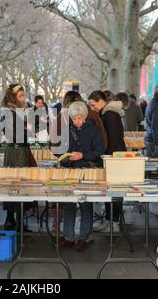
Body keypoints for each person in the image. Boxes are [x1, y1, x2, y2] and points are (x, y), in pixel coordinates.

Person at [59, 101, 104, 252]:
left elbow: (99, 151)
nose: (76, 121)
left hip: (86, 171)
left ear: (84, 117)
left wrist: (82, 155)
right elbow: (63, 149)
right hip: (70, 171)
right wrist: (65, 157)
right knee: (69, 204)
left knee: (85, 203)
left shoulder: (94, 130)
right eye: (74, 118)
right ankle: (68, 236)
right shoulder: (67, 130)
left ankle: (84, 237)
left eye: (79, 118)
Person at [88, 90, 126, 233]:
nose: (92, 108)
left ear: (100, 101)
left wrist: (105, 158)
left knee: (115, 191)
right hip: (113, 157)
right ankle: (109, 220)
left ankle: (114, 222)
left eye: (93, 105)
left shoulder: (110, 115)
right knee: (110, 191)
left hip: (113, 158)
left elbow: (112, 139)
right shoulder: (108, 113)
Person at [0, 84, 35, 231]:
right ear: (14, 97)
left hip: (21, 150)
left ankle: (17, 220)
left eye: (23, 95)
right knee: (14, 184)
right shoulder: (9, 111)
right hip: (16, 151)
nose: (23, 98)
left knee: (22, 185)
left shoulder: (19, 111)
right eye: (20, 96)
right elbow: (12, 135)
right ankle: (11, 220)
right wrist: (27, 129)